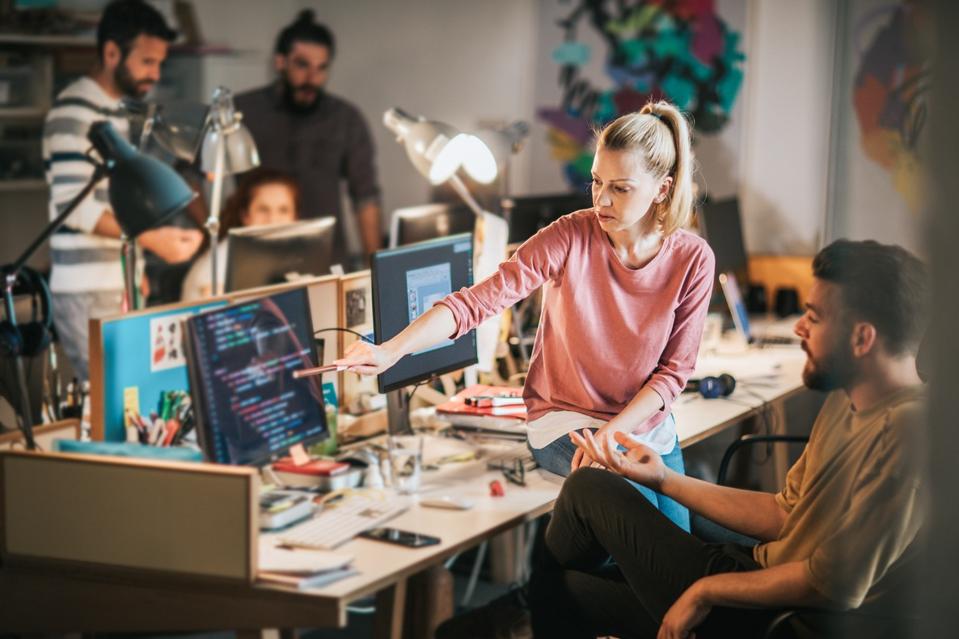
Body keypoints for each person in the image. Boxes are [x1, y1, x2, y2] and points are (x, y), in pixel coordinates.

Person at [336, 101, 714, 531]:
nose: (601, 199)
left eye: (621, 188)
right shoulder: (571, 234)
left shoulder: (693, 258)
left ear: (661, 190)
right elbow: (476, 303)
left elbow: (673, 373)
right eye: (596, 182)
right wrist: (391, 351)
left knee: (681, 551)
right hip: (566, 420)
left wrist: (612, 435)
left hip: (643, 428)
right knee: (648, 530)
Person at [522, 239, 927, 639]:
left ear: (862, 339)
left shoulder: (909, 434)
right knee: (562, 588)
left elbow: (831, 585)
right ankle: (561, 581)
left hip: (782, 615)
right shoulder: (849, 396)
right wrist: (662, 478)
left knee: (588, 490)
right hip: (766, 570)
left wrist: (704, 591)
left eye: (815, 317)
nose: (800, 327)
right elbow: (784, 515)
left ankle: (551, 578)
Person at [42, 0, 203, 380]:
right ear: (112, 52)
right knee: (109, 400)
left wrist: (133, 269)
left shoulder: (113, 111)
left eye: (160, 64)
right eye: (147, 62)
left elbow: (119, 203)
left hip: (115, 283)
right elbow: (78, 210)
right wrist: (153, 239)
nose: (155, 74)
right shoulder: (75, 112)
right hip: (85, 289)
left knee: (133, 397)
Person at [234, 10, 382, 269]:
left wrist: (377, 270)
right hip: (255, 260)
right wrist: (206, 240)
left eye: (321, 68)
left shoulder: (345, 118)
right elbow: (192, 174)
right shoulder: (243, 113)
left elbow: (365, 197)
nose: (312, 78)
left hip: (328, 261)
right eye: (302, 65)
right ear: (281, 62)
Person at [180, 168, 300, 301]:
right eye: (263, 210)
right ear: (246, 216)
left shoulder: (284, 256)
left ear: (294, 217)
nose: (273, 220)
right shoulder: (221, 260)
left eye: (283, 210)